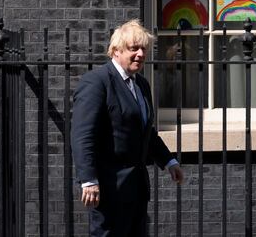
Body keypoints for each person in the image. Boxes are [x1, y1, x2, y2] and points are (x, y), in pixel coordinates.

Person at [71, 19, 184, 236]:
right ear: (115, 51)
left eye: (144, 49)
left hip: (137, 189)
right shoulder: (97, 82)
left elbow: (145, 132)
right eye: (134, 49)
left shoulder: (141, 84)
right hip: (109, 189)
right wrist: (88, 180)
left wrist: (169, 161)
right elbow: (82, 135)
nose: (141, 54)